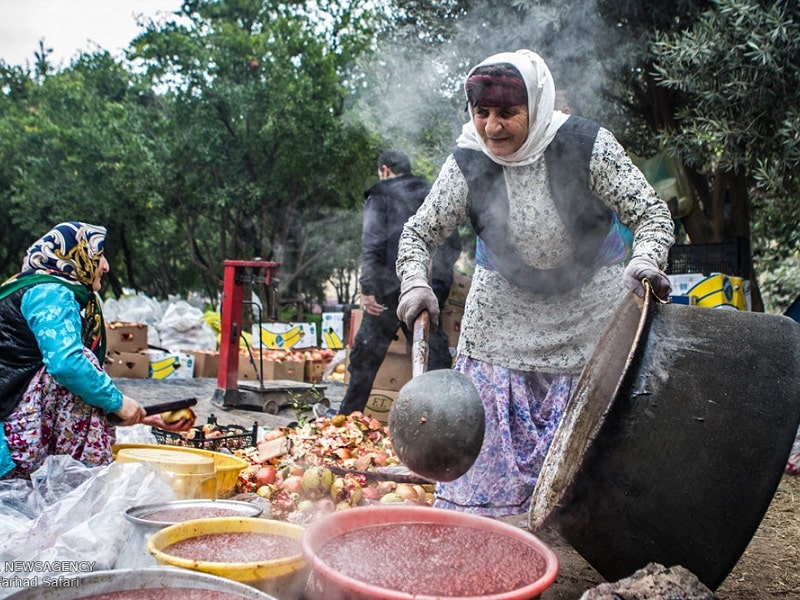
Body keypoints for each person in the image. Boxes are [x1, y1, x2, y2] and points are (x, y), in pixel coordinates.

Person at [395, 50, 675, 517]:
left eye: (508, 113)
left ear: (537, 105)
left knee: (595, 455)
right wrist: (414, 284)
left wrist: (645, 258)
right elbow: (419, 233)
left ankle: (581, 529)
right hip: (501, 314)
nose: (492, 127)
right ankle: (489, 529)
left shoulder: (588, 145)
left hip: (590, 313)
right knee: (481, 442)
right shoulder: (467, 160)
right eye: (481, 113)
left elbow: (650, 213)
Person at [0, 222, 194, 479]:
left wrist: (144, 416)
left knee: (84, 371)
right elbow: (66, 365)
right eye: (99, 255)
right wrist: (118, 403)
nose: (105, 266)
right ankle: (78, 480)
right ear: (75, 255)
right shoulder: (50, 292)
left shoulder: (43, 289)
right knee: (81, 364)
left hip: (17, 414)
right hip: (13, 436)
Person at [331, 150, 461, 417]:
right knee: (432, 354)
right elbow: (453, 243)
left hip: (386, 290)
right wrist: (437, 284)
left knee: (365, 355)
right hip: (424, 288)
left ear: (385, 170)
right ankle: (442, 419)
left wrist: (367, 289)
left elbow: (373, 242)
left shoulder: (380, 194)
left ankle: (346, 417)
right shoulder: (431, 191)